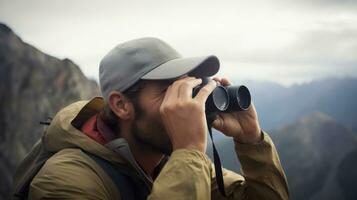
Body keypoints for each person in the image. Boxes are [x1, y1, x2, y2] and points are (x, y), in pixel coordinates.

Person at [28, 37, 289, 199]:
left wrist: (251, 141)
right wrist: (188, 151)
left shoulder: (171, 161)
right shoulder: (65, 181)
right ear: (121, 105)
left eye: (190, 87)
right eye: (171, 90)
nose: (186, 104)